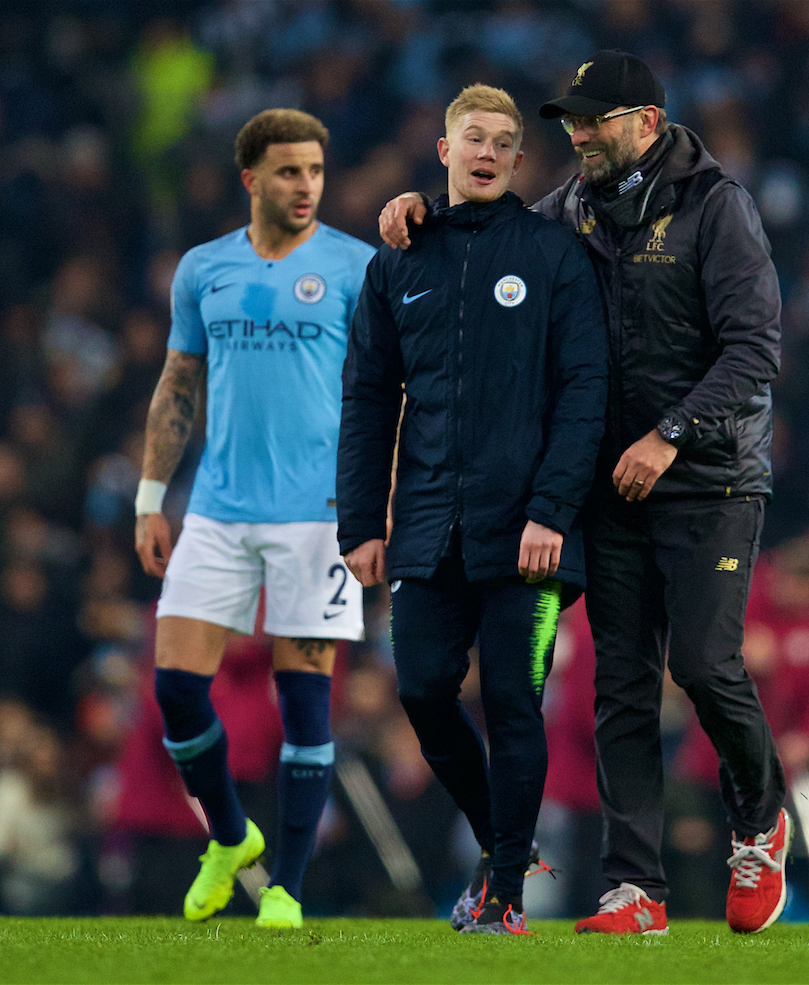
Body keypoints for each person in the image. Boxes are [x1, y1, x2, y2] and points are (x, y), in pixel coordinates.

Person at [379, 51, 788, 935]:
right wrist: (422, 211)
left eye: (595, 118)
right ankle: (633, 888)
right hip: (612, 486)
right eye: (570, 118)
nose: (577, 132)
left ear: (646, 121)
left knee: (704, 666)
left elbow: (755, 351)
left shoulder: (717, 207)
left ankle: (761, 819)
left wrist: (669, 433)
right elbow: (494, 239)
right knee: (620, 685)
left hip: (709, 474)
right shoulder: (568, 212)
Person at [339, 84, 608, 935]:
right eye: (473, 138)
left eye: (503, 141)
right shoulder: (398, 263)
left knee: (514, 705)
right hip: (423, 526)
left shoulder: (555, 255)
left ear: (519, 161)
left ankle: (505, 893)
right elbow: (369, 399)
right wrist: (359, 524)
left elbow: (584, 395)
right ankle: (507, 845)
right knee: (421, 691)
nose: (488, 151)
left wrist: (552, 510)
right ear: (445, 150)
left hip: (529, 532)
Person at [134, 108, 375, 929]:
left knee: (304, 702)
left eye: (314, 170)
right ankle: (232, 836)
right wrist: (148, 498)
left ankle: (288, 889)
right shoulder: (204, 269)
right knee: (174, 688)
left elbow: (393, 392)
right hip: (218, 509)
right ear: (251, 179)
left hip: (321, 515)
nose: (305, 186)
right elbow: (177, 384)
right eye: (287, 172)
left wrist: (374, 505)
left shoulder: (356, 266)